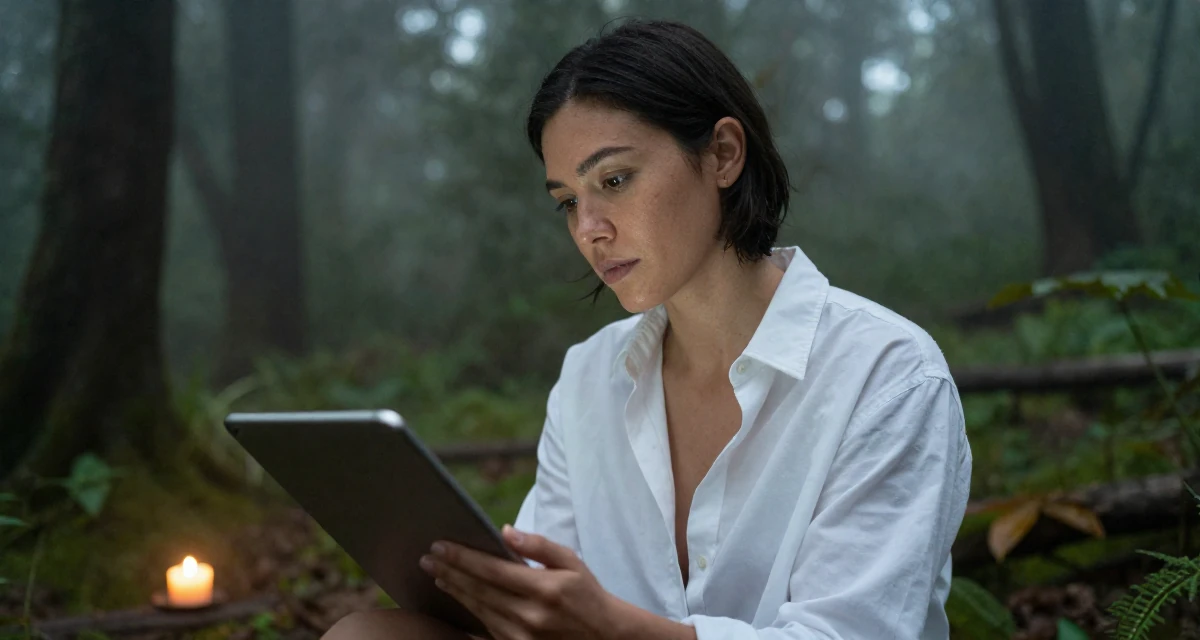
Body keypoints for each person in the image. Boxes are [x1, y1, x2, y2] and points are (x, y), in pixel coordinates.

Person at [323, 18, 971, 640]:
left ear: (722, 153)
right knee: (365, 634)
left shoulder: (886, 373)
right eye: (568, 201)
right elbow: (546, 595)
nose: (589, 228)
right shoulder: (590, 376)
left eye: (615, 179)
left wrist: (613, 630)